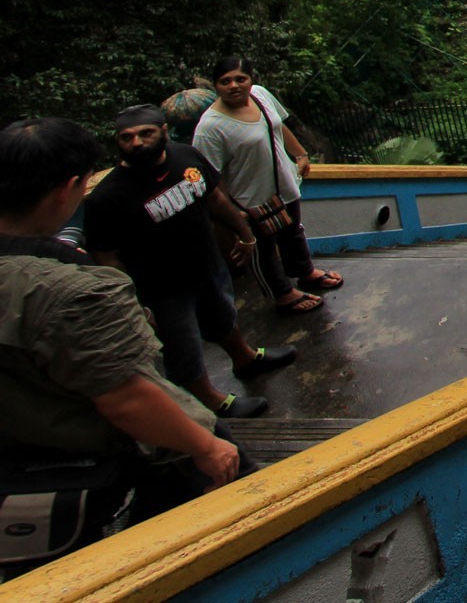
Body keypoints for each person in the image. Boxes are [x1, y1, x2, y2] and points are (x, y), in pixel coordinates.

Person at [0, 117, 249, 545]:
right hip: (98, 463)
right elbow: (127, 398)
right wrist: (207, 448)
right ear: (70, 188)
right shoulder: (75, 291)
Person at [86, 106, 293, 418]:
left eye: (146, 133)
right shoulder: (107, 198)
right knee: (181, 346)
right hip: (160, 287)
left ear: (163, 132)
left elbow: (215, 198)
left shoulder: (186, 157)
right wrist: (129, 302)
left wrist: (245, 234)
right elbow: (105, 256)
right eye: (126, 138)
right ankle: (209, 400)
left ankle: (245, 359)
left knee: (223, 315)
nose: (137, 143)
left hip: (206, 263)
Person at [192, 59, 341, 315]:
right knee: (264, 248)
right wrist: (229, 212)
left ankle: (304, 272)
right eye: (225, 81)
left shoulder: (260, 95)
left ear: (251, 79)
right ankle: (281, 293)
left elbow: (277, 126)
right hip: (250, 197)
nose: (234, 86)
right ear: (216, 86)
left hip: (282, 184)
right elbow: (209, 176)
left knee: (293, 230)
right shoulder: (210, 127)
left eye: (240, 79)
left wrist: (301, 154)